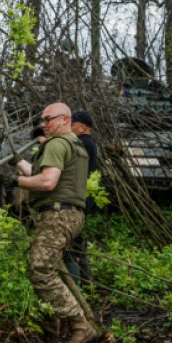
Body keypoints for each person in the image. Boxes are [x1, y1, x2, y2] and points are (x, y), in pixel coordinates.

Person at [4, 103, 99, 343]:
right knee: (53, 266)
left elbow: (46, 182)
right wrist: (20, 163)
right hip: (70, 214)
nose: (44, 124)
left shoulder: (57, 144)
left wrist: (14, 180)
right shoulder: (74, 145)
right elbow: (41, 173)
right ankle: (50, 324)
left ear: (65, 119)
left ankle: (79, 325)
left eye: (49, 119)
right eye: (42, 119)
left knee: (41, 269)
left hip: (58, 214)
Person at [64, 110, 98, 284]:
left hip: (77, 198)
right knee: (77, 239)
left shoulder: (82, 144)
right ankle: (87, 281)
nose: (69, 128)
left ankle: (75, 287)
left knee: (70, 244)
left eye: (72, 125)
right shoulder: (90, 143)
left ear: (82, 127)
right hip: (85, 198)